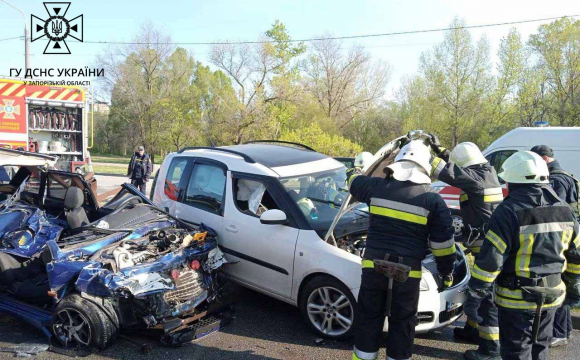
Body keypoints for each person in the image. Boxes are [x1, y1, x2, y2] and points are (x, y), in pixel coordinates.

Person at [463, 151, 580, 360]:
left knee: (517, 353)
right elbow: (577, 255)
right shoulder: (565, 210)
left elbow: (491, 261)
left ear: (514, 182)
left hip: (516, 299)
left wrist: (475, 294)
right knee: (540, 350)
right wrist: (574, 286)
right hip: (552, 297)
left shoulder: (508, 211)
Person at [349, 140, 456, 360]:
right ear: (424, 167)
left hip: (373, 266)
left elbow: (353, 181)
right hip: (408, 272)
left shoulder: (375, 186)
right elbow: (443, 246)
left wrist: (355, 168)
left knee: (369, 317)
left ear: (397, 163)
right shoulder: (433, 200)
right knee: (403, 322)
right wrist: (446, 273)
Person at [429, 138, 503, 360]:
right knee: (476, 289)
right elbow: (458, 169)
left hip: (487, 249)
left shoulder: (477, 179)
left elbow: (450, 173)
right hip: (487, 244)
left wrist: (422, 156)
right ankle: (472, 331)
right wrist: (441, 150)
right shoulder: (486, 171)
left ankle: (491, 350)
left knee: (485, 296)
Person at [531, 145, 580, 347]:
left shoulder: (556, 180)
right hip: (570, 235)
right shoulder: (565, 175)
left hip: (562, 237)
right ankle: (564, 331)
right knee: (562, 285)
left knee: (557, 284)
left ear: (544, 159)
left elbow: (554, 211)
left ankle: (559, 332)